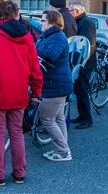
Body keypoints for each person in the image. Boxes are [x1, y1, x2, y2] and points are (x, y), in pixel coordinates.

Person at [0, 0, 43, 186]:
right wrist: (37, 91)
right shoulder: (27, 37)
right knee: (17, 133)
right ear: (16, 14)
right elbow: (34, 68)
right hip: (19, 92)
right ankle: (19, 173)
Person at [37, 10, 73, 161]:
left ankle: (64, 152)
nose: (41, 23)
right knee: (58, 118)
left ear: (52, 23)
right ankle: (61, 149)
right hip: (57, 83)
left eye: (43, 20)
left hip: (55, 84)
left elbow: (50, 55)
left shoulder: (57, 37)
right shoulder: (49, 36)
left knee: (46, 118)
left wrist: (34, 50)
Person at [69, 2, 96, 129]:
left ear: (77, 11)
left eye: (70, 11)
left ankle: (87, 119)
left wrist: (82, 63)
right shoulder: (81, 21)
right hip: (81, 61)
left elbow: (87, 44)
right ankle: (82, 115)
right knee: (79, 90)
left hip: (85, 62)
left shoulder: (86, 22)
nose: (69, 13)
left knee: (82, 89)